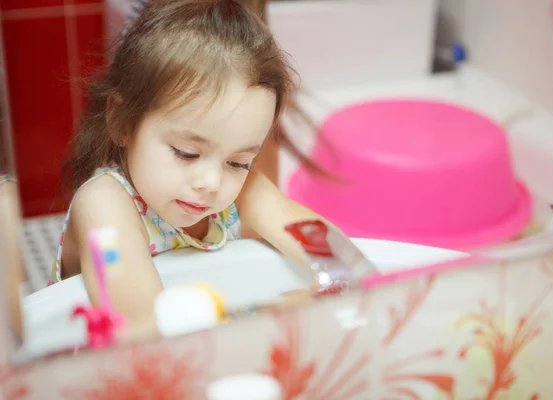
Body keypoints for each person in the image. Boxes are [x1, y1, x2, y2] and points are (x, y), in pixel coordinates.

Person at [53, 0, 340, 339]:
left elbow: (340, 258)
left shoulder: (243, 192)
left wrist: (319, 295)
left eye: (237, 162)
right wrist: (277, 312)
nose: (211, 182)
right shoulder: (103, 203)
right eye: (187, 154)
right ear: (121, 121)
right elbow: (145, 333)